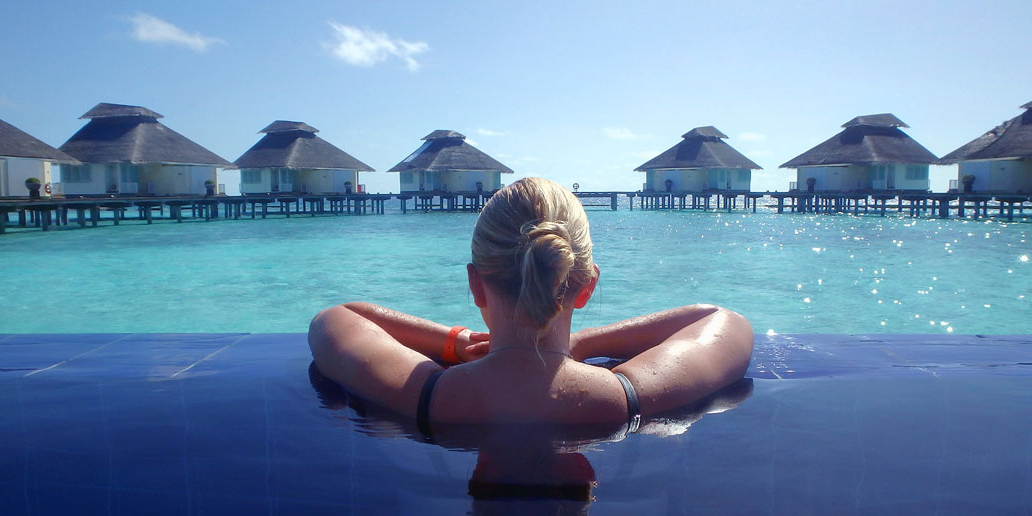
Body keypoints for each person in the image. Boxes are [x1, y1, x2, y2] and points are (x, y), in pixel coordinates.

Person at [308, 177, 753, 428]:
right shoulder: (629, 397)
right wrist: (581, 343)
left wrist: (456, 342)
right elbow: (721, 320)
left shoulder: (424, 394)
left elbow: (337, 318)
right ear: (586, 287)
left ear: (476, 285)